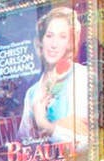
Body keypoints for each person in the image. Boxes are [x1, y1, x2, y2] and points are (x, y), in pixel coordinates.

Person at [17, 6, 90, 146]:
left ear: (70, 43)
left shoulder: (81, 77)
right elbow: (21, 144)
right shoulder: (32, 93)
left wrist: (44, 125)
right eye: (49, 36)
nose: (54, 44)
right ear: (41, 40)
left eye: (62, 37)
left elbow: (84, 142)